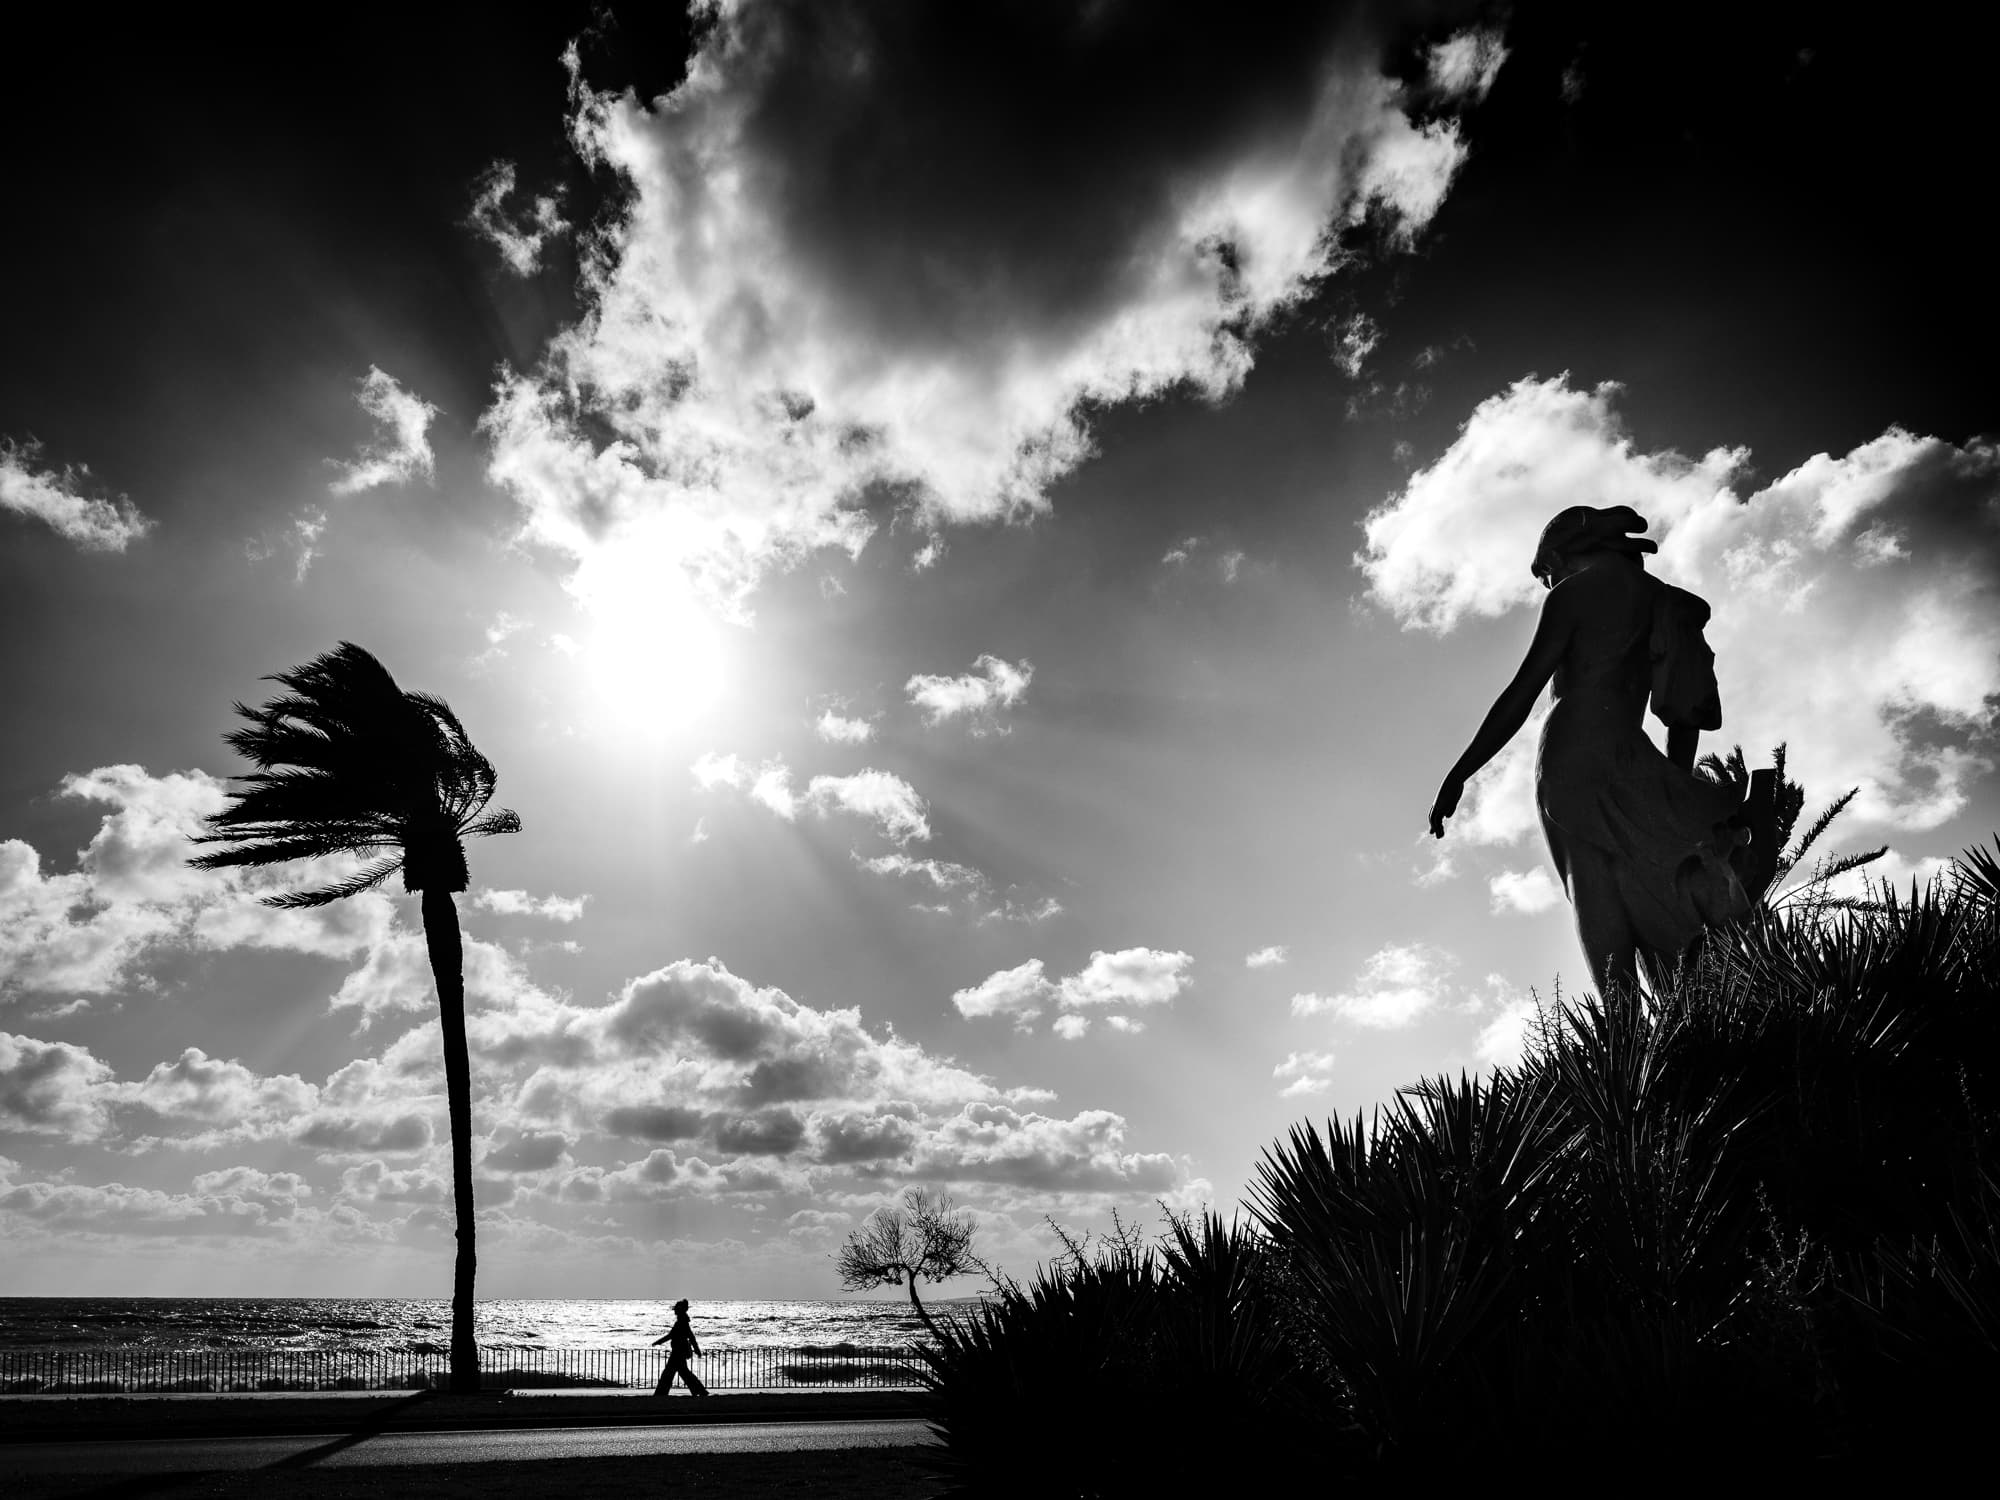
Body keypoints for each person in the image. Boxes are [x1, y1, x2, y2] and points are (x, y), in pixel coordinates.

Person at [1428, 505, 1766, 996]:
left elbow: (1522, 692)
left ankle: (1621, 1024)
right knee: (1653, 872)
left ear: (1561, 556)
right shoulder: (1666, 602)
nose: (1550, 584)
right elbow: (1685, 708)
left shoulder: (1573, 594)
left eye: (1547, 574)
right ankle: (1686, 1004)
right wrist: (1674, 784)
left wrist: (1461, 773)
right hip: (1633, 754)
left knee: (1589, 882)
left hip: (1571, 752)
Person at [652, 1298, 709, 1397]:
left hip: (678, 1352)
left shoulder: (681, 1322)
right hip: (679, 1351)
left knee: (669, 1373)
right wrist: (696, 1350)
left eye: (676, 1309)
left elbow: (675, 1336)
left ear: (679, 1310)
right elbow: (689, 1337)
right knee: (683, 1373)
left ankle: (661, 1393)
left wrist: (658, 1342)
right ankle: (700, 1391)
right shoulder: (682, 1321)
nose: (674, 1310)